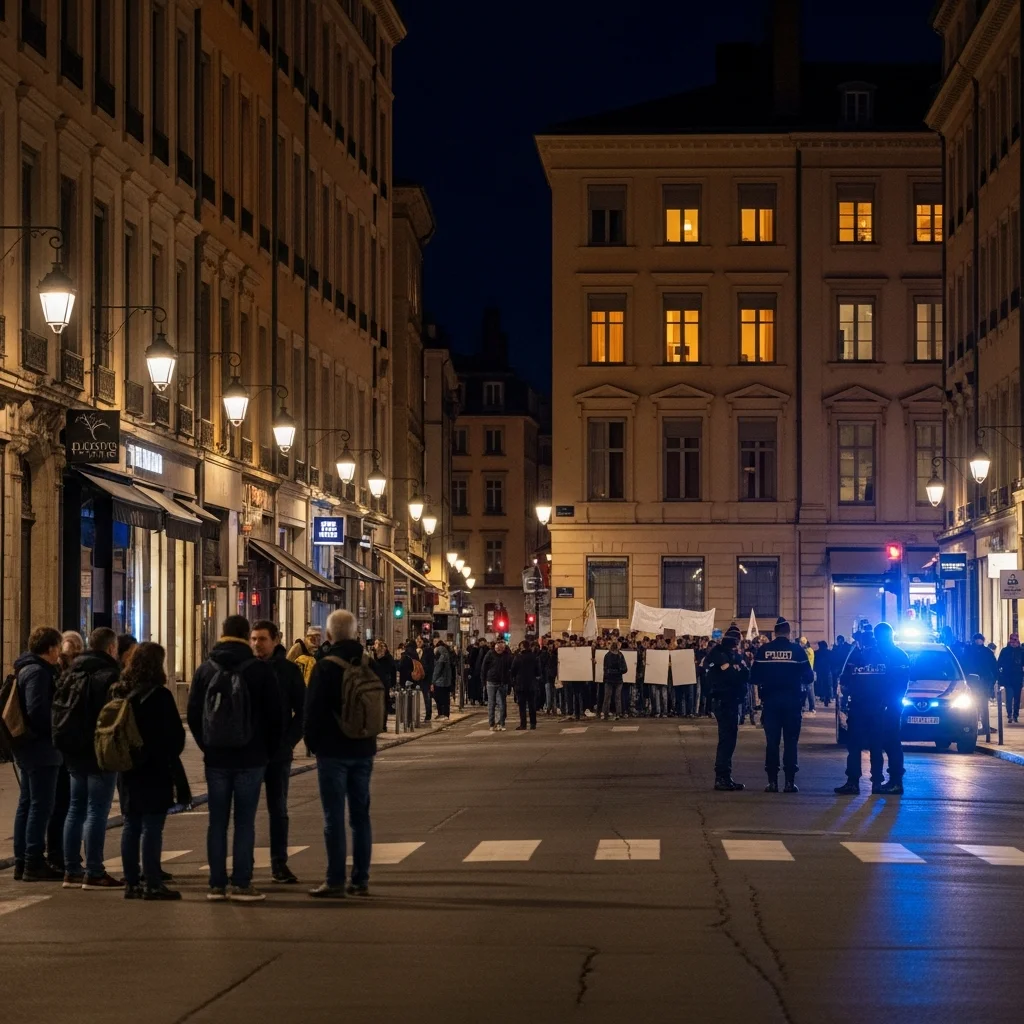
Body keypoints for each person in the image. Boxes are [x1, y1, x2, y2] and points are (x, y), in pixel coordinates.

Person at [187, 614, 284, 902]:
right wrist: (267, 751)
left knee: (217, 822)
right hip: (251, 758)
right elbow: (275, 717)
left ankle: (216, 884)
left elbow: (194, 715)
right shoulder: (260, 670)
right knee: (245, 822)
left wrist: (207, 746)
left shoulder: (205, 669)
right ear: (246, 637)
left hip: (216, 759)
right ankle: (242, 883)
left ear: (222, 633)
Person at [303, 609, 381, 898]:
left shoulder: (325, 666)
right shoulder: (367, 661)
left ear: (329, 634)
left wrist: (312, 743)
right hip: (363, 747)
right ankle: (360, 878)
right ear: (355, 632)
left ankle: (335, 879)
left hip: (333, 751)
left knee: (333, 817)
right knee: (361, 816)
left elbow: (312, 709)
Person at [116, 642, 186, 901]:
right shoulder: (160, 696)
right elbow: (176, 738)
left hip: (127, 769)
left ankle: (131, 883)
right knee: (152, 827)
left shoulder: (121, 691)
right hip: (155, 769)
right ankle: (153, 883)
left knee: (131, 824)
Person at [58, 626, 123, 890]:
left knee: (75, 809)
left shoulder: (72, 671)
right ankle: (94, 870)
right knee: (97, 810)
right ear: (110, 648)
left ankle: (72, 869)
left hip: (73, 750)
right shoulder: (109, 675)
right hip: (99, 751)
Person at [251, 619, 306, 884]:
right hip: (250, 752)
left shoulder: (287, 670)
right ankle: (243, 866)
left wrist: (289, 741)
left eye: (262, 639)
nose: (257, 644)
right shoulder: (245, 669)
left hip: (278, 753)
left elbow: (302, 711)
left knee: (278, 809)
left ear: (275, 640)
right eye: (253, 639)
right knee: (245, 811)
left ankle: (279, 863)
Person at [11, 627, 64, 882]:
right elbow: (37, 711)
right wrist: (57, 729)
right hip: (41, 749)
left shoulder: (25, 669)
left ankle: (22, 860)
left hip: (30, 748)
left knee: (28, 803)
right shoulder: (39, 672)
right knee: (40, 805)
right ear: (51, 648)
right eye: (59, 647)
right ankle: (33, 860)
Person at [750, 617, 812, 793]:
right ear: (788, 632)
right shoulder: (797, 651)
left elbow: (753, 677)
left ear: (775, 632)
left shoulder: (764, 650)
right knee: (791, 742)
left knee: (772, 743)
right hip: (792, 703)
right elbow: (809, 677)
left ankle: (772, 782)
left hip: (770, 703)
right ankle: (789, 782)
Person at [707, 626, 749, 791]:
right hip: (725, 701)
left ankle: (725, 776)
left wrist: (735, 668)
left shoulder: (728, 655)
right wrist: (735, 669)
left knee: (729, 740)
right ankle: (722, 777)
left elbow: (745, 673)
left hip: (730, 701)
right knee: (727, 740)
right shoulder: (720, 655)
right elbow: (735, 676)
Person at [960, 632, 998, 734]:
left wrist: (993, 680)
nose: (978, 641)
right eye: (977, 639)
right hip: (973, 683)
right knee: (974, 705)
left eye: (980, 639)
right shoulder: (969, 652)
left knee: (982, 705)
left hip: (983, 683)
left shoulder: (985, 652)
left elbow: (994, 667)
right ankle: (975, 726)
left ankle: (983, 727)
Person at [482, 638, 513, 731]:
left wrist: (509, 684)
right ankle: (492, 724)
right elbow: (484, 668)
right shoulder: (490, 654)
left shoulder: (507, 655)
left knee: (502, 704)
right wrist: (483, 681)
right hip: (491, 681)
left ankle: (501, 723)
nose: (499, 650)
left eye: (501, 649)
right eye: (497, 649)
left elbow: (510, 670)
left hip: (502, 682)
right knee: (491, 704)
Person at [512, 642, 540, 730]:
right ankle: (533, 723)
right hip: (531, 684)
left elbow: (513, 670)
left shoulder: (518, 657)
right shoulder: (534, 657)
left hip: (521, 684)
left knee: (522, 706)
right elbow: (538, 671)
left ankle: (523, 724)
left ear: (522, 647)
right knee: (532, 705)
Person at [997, 633, 1024, 723]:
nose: (1014, 642)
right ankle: (1009, 714)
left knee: (1017, 697)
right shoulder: (1005, 651)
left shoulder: (1021, 651)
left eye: (1015, 639)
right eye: (1012, 639)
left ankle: (1015, 715)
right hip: (1008, 677)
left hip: (1018, 677)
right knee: (1009, 697)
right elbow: (999, 663)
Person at [600, 642, 627, 720]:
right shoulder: (620, 655)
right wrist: (619, 671)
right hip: (618, 679)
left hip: (609, 679)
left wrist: (605, 678)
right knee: (617, 697)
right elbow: (625, 669)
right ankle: (618, 713)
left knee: (607, 697)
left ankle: (605, 713)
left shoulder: (607, 656)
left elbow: (605, 668)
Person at [431, 638, 455, 721]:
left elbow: (437, 670)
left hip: (440, 682)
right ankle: (445, 714)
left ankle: (441, 714)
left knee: (439, 698)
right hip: (447, 681)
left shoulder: (440, 656)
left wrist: (433, 681)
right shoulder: (447, 654)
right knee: (446, 698)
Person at [814, 641, 834, 707]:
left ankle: (822, 697)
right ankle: (828, 698)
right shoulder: (830, 653)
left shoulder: (816, 653)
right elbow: (832, 662)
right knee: (828, 684)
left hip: (819, 671)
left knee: (820, 684)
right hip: (827, 670)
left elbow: (815, 662)